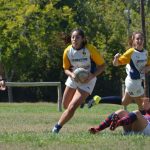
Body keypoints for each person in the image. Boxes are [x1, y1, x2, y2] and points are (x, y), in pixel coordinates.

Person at [52, 28, 105, 133]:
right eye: (72, 37)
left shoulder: (90, 49)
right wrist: (72, 74)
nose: (74, 39)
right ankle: (82, 102)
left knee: (71, 107)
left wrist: (92, 75)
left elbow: (102, 65)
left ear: (83, 39)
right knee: (66, 105)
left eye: (77, 37)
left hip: (88, 79)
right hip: (74, 77)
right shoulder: (67, 51)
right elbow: (66, 69)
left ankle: (56, 128)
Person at [87, 32, 150, 113]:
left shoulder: (145, 53)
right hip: (133, 82)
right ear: (133, 40)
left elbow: (148, 65)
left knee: (124, 102)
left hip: (136, 82)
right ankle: (135, 123)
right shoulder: (131, 52)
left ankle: (98, 100)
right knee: (143, 107)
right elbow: (116, 64)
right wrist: (116, 59)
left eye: (141, 39)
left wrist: (147, 68)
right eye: (137, 39)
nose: (140, 40)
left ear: (144, 40)